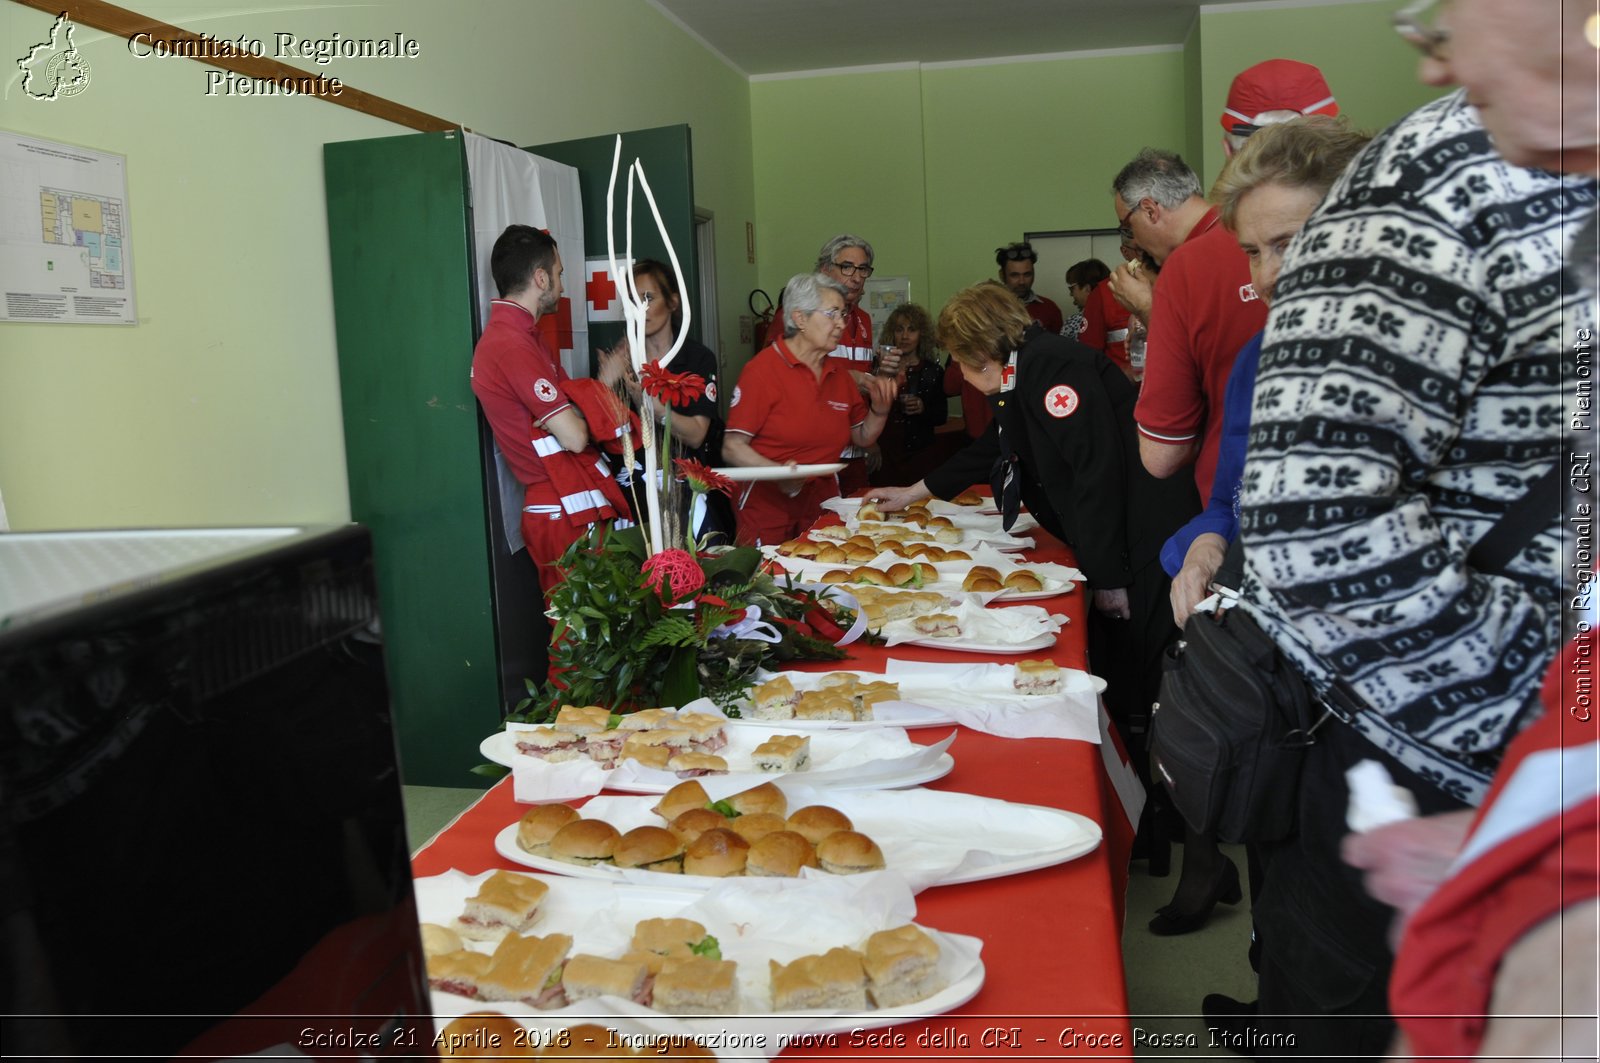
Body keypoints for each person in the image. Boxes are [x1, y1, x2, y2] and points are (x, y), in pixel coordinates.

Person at [1229, 3, 1598, 1050]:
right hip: (1449, 758)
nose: (1428, 51)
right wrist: (1537, 757)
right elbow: (1310, 522)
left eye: (1444, 18)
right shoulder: (1432, 181)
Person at [869, 284, 1197, 781]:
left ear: (980, 349)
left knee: (1141, 675)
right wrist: (914, 492)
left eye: (959, 358)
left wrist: (1108, 577)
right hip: (1117, 533)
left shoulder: (1054, 369)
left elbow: (1096, 475)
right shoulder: (1022, 371)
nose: (957, 369)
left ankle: (1165, 810)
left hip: (1144, 535)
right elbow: (994, 448)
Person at [470, 226, 632, 594]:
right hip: (557, 502)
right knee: (579, 637)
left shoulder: (525, 337)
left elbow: (569, 414)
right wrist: (601, 389)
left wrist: (600, 387)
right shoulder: (510, 344)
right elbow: (574, 436)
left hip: (566, 496)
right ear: (540, 278)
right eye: (558, 274)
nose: (561, 283)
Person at [1110, 148, 1268, 499]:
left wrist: (1150, 310)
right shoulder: (1257, 231)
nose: (1133, 241)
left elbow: (1161, 454)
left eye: (1127, 226)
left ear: (1150, 209)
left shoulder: (1186, 268)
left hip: (1234, 479)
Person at [724, 272, 895, 546]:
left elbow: (862, 437)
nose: (841, 323)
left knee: (820, 579)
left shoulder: (838, 373)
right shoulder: (762, 371)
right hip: (766, 504)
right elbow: (732, 446)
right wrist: (780, 474)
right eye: (832, 314)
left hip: (821, 500)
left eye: (843, 314)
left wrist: (881, 410)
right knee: (770, 582)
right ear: (800, 318)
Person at [597, 258, 734, 545]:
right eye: (633, 299)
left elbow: (697, 435)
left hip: (686, 499)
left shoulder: (697, 358)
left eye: (649, 297)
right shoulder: (619, 360)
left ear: (673, 302)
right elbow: (594, 430)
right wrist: (603, 384)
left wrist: (653, 407)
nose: (640, 308)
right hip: (632, 500)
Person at [763, 234, 897, 497]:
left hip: (854, 450)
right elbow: (780, 376)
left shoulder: (864, 320)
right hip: (808, 454)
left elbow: (856, 389)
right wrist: (852, 378)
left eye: (863, 269)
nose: (856, 277)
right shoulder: (796, 317)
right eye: (847, 267)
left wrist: (881, 376)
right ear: (825, 269)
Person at [870, 303, 949, 487]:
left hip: (921, 456)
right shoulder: (879, 368)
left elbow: (941, 416)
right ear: (892, 333)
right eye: (899, 329)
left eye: (912, 330)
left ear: (922, 334)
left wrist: (923, 408)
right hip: (885, 454)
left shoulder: (933, 371)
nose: (905, 336)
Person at [1068, 258, 1136, 381]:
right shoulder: (1102, 294)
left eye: (1072, 288)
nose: (1071, 294)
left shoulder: (1102, 294)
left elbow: (1088, 355)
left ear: (1087, 288)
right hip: (1122, 384)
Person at [996, 241, 1064, 334]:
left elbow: (1060, 346)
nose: (1022, 281)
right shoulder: (990, 308)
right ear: (1002, 275)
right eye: (1014, 275)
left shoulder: (1050, 308)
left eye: (1027, 274)